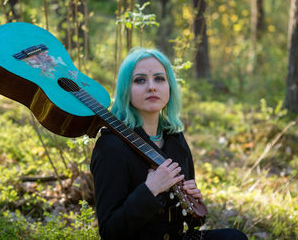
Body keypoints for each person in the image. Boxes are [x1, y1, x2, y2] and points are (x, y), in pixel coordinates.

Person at [90, 48, 247, 240]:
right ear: (125, 90)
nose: (152, 87)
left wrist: (193, 203)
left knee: (234, 237)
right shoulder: (111, 147)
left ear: (169, 87)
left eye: (159, 79)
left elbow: (192, 225)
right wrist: (151, 189)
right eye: (140, 80)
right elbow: (110, 232)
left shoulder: (175, 138)